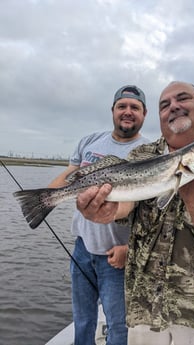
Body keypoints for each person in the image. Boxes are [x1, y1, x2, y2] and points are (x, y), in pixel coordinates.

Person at [76, 81, 194, 345]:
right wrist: (108, 211)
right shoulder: (142, 154)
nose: (173, 106)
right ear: (158, 116)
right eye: (164, 104)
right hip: (145, 304)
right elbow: (129, 204)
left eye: (183, 98)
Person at [48, 85, 149, 345]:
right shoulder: (89, 141)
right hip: (82, 247)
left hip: (117, 255)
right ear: (113, 111)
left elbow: (152, 211)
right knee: (82, 319)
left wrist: (129, 246)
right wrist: (43, 198)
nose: (128, 112)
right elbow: (69, 178)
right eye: (122, 106)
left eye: (134, 108)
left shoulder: (150, 152)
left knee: (118, 325)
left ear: (144, 114)